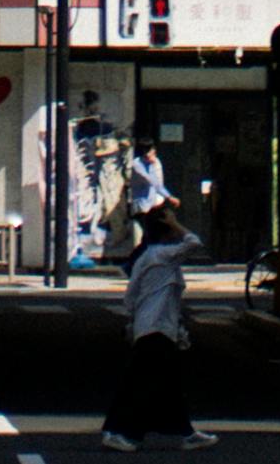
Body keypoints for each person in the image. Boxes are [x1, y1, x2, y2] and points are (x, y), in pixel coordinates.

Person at [106, 192, 193, 454]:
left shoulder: (151, 256)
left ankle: (186, 432)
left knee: (161, 382)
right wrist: (176, 224)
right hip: (156, 329)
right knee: (145, 383)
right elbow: (194, 242)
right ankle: (123, 432)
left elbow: (131, 296)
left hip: (154, 327)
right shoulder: (163, 255)